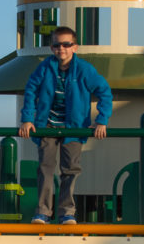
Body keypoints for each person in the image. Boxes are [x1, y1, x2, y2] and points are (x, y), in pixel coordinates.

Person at [19, 26, 112, 224]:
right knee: (45, 167)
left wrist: (101, 121)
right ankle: (43, 212)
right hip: (47, 126)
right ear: (52, 48)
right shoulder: (45, 67)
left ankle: (67, 212)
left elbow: (105, 92)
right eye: (57, 44)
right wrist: (28, 119)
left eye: (66, 44)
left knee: (70, 169)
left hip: (74, 127)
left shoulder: (85, 70)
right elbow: (30, 90)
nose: (61, 48)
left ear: (75, 47)